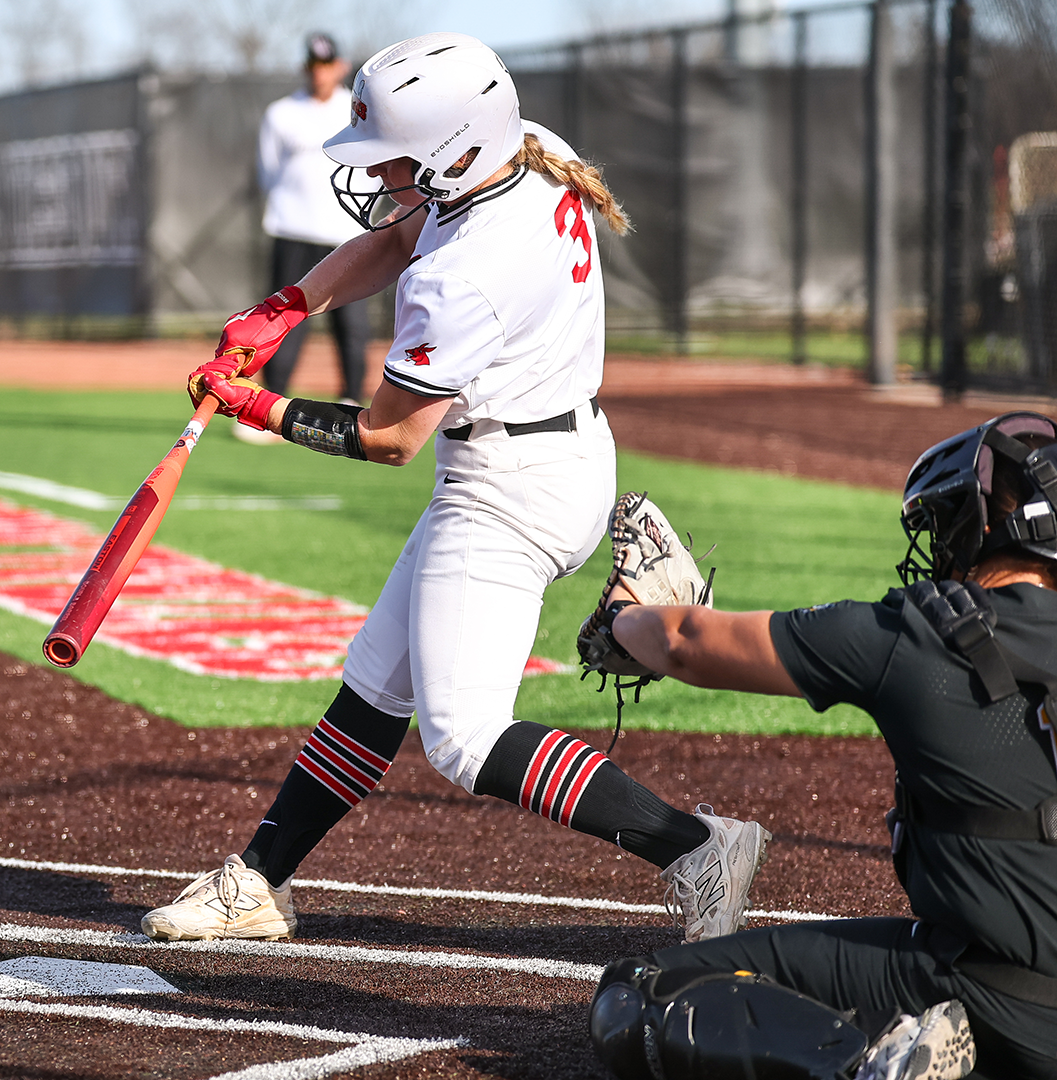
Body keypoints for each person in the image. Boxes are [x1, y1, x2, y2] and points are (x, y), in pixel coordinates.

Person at [139, 32, 770, 948]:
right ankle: (260, 881)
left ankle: (697, 847)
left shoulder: (465, 276)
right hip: (550, 451)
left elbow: (391, 437)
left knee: (465, 738)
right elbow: (398, 234)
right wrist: (286, 308)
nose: (382, 175)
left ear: (454, 146)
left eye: (397, 158)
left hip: (511, 488)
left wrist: (262, 407)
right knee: (375, 686)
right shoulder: (519, 148)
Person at [582, 415, 1057, 1079]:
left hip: (991, 984)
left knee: (637, 995)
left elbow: (687, 642)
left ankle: (867, 1067)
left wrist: (624, 614)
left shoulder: (922, 632)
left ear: (975, 530)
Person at [237, 32, 375, 446]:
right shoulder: (281, 113)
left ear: (341, 66)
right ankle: (267, 408)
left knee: (350, 321)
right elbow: (267, 170)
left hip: (344, 233)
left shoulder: (359, 109)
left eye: (327, 65)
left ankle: (353, 403)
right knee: (284, 319)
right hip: (292, 229)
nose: (320, 74)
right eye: (314, 67)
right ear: (306, 69)